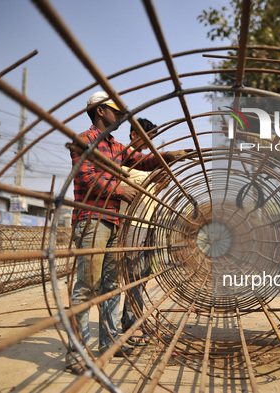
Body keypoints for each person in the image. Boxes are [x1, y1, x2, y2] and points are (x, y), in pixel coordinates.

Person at [66, 92, 188, 374]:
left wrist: (165, 157)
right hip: (92, 219)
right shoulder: (83, 140)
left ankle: (109, 343)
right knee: (87, 286)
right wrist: (120, 190)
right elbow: (86, 176)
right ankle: (77, 353)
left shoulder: (115, 146)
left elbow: (139, 160)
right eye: (115, 112)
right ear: (100, 111)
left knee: (110, 285)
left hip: (113, 221)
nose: (120, 116)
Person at [119, 118, 163, 346]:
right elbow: (124, 189)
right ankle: (131, 324)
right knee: (133, 274)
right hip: (133, 223)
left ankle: (133, 319)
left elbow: (152, 190)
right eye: (149, 136)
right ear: (136, 134)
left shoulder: (145, 162)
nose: (152, 141)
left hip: (148, 223)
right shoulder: (124, 158)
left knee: (143, 274)